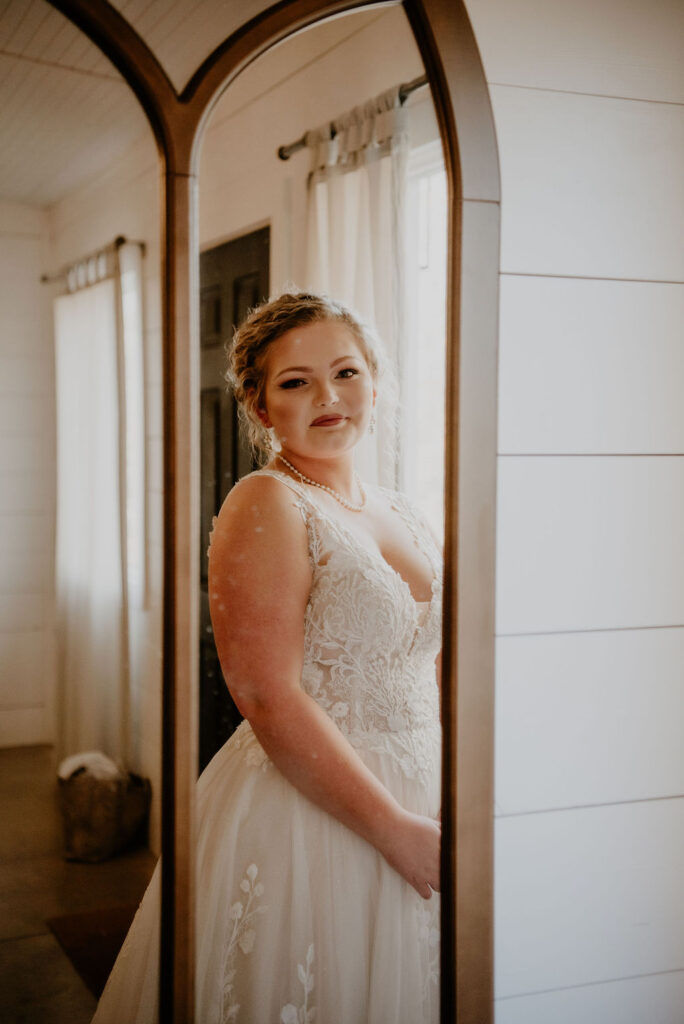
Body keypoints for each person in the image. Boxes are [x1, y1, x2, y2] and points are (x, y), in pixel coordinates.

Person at [92, 292, 441, 1024]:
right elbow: (264, 692)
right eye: (295, 382)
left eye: (346, 372)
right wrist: (393, 830)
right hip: (316, 809)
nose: (328, 397)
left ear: (375, 383)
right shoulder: (267, 501)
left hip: (429, 780)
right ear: (258, 406)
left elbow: (431, 661)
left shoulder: (402, 507)